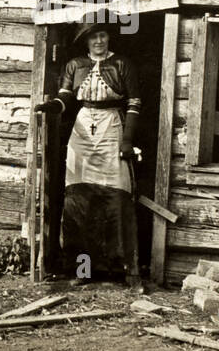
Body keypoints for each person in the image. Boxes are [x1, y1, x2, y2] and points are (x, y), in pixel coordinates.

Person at [34, 20, 141, 287]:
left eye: (103, 36)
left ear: (109, 38)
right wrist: (51, 107)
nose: (98, 41)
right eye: (93, 37)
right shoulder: (75, 65)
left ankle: (123, 270)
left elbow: (134, 102)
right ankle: (82, 270)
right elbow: (66, 98)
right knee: (78, 199)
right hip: (82, 130)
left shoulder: (122, 64)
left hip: (111, 127)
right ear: (86, 41)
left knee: (116, 197)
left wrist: (127, 140)